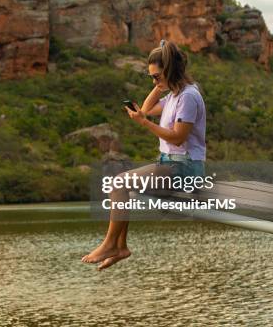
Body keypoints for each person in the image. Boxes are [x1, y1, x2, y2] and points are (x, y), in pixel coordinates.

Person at [81, 39, 206, 271]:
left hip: (184, 169)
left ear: (170, 71)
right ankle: (119, 246)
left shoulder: (188, 96)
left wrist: (145, 123)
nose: (153, 81)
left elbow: (178, 137)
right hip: (171, 166)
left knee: (118, 183)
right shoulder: (174, 95)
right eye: (151, 77)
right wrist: (158, 86)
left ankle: (112, 244)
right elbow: (146, 109)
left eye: (156, 76)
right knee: (120, 185)